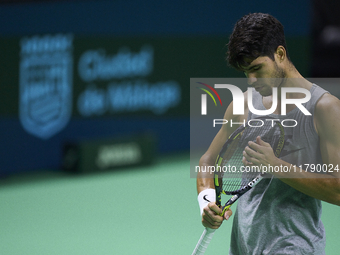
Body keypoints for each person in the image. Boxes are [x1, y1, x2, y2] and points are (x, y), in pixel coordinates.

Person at [196, 13, 340, 254]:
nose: (251, 81)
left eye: (257, 69)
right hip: (244, 245)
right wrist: (206, 202)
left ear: (280, 55)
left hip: (293, 246)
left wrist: (277, 166)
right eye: (245, 72)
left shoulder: (325, 108)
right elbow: (208, 160)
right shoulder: (243, 105)